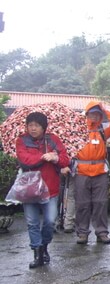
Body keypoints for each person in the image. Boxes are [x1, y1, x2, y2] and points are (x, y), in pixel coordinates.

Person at [15, 112, 70, 268]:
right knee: (32, 222)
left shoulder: (53, 140)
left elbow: (66, 159)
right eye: (30, 125)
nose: (33, 128)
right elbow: (24, 159)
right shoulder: (22, 140)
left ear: (44, 127)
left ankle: (44, 246)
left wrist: (56, 158)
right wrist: (43, 157)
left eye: (37, 125)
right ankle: (38, 253)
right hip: (30, 189)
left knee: (50, 221)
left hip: (50, 188)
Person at [75, 101, 110, 245]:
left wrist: (105, 108)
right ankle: (82, 233)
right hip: (81, 172)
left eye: (97, 114)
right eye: (92, 113)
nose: (95, 116)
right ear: (86, 114)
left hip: (100, 172)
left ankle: (102, 232)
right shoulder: (78, 130)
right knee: (82, 204)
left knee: (100, 204)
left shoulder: (103, 132)